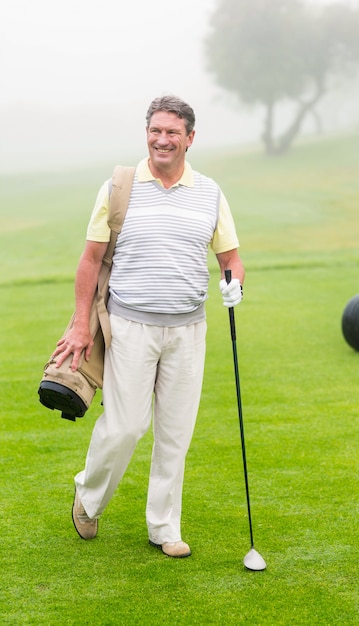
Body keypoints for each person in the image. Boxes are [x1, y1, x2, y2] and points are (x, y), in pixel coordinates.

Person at [53, 95, 245, 558]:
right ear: (147, 133)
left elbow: (231, 259)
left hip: (187, 330)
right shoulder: (118, 187)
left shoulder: (210, 193)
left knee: (175, 434)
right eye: (155, 130)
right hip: (129, 327)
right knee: (125, 427)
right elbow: (90, 259)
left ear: (189, 139)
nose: (162, 139)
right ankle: (89, 495)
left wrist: (234, 285)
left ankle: (164, 526)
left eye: (172, 132)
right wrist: (81, 325)